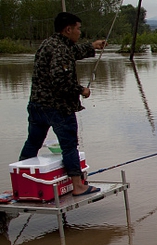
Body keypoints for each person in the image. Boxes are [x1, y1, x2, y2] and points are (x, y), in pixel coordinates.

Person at [19, 12, 107, 196]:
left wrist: (92, 47)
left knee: (33, 143)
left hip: (36, 105)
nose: (79, 32)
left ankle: (22, 184)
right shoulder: (60, 50)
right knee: (69, 146)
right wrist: (81, 90)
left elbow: (73, 52)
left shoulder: (49, 44)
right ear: (68, 29)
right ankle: (78, 186)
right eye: (78, 28)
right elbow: (60, 79)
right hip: (57, 107)